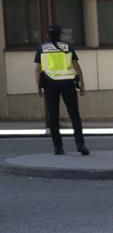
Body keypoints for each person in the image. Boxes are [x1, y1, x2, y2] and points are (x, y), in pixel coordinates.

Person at [34, 23, 88, 156]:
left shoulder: (41, 48)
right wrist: (82, 83)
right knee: (74, 115)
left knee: (53, 116)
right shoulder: (68, 47)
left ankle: (58, 147)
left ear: (47, 34)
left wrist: (38, 86)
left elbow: (37, 69)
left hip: (50, 84)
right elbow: (76, 66)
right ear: (60, 34)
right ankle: (80, 144)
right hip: (68, 83)